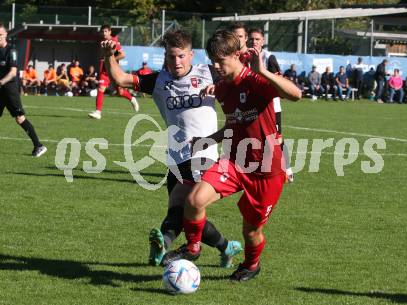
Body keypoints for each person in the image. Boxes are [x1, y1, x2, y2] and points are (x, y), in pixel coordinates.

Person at [162, 30, 302, 281]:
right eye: (213, 61)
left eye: (220, 61)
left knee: (251, 231)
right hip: (234, 162)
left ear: (237, 55)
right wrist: (208, 141)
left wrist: (265, 72)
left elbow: (296, 95)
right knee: (194, 201)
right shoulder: (224, 90)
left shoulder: (257, 81)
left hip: (267, 170)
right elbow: (233, 125)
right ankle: (193, 248)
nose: (216, 67)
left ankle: (251, 265)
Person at [101, 29, 242, 268]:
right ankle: (226, 247)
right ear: (165, 56)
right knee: (187, 213)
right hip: (175, 158)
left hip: (203, 155)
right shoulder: (159, 80)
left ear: (191, 55)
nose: (176, 62)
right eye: (171, 56)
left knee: (182, 205)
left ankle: (164, 244)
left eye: (181, 56)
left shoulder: (209, 73)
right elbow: (120, 79)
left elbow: (238, 76)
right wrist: (108, 57)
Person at [244, 26, 294, 183]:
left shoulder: (269, 57)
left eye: (257, 39)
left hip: (271, 106)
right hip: (251, 106)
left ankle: (287, 169)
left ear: (263, 41)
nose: (254, 42)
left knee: (277, 138)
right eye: (251, 39)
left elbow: (278, 80)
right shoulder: (243, 57)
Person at [0, 23, 47, 157]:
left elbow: (13, 72)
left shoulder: (11, 51)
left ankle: (38, 146)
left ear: (6, 35)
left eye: (0, 35)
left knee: (19, 118)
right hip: (0, 90)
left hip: (9, 90)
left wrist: (1, 82)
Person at [88, 24, 139, 120]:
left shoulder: (114, 41)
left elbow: (123, 54)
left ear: (110, 32)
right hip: (104, 71)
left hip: (113, 70)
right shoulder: (102, 42)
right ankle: (98, 112)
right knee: (101, 88)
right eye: (102, 32)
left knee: (120, 92)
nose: (104, 33)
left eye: (106, 31)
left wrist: (112, 60)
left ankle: (132, 99)